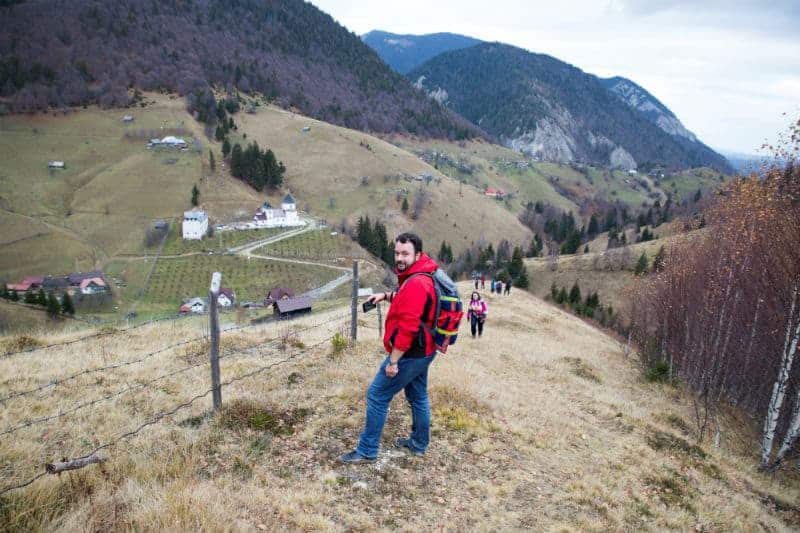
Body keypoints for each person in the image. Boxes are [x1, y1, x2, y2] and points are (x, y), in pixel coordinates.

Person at [341, 232, 439, 463]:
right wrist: (385, 296)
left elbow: (407, 328)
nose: (400, 258)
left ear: (417, 254)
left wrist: (394, 361)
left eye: (405, 253)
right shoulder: (421, 274)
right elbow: (412, 303)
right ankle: (418, 443)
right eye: (397, 253)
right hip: (425, 348)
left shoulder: (416, 282)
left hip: (410, 352)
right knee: (417, 396)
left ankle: (367, 451)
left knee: (377, 394)